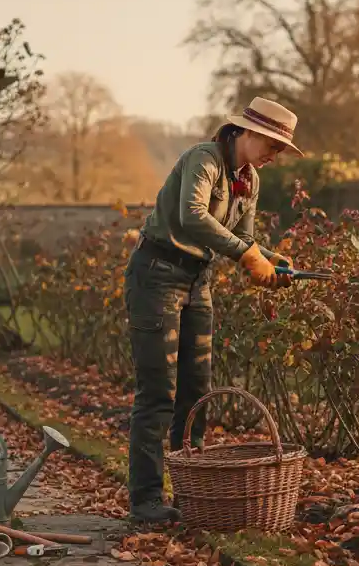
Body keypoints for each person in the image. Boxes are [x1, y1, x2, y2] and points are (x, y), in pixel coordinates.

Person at [122, 97, 303, 524]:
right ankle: (146, 500)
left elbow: (243, 237)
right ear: (246, 132)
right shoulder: (203, 160)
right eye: (273, 146)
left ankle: (193, 493)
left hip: (196, 280)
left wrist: (272, 260)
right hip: (157, 275)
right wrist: (248, 256)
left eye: (280, 150)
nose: (274, 157)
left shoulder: (249, 179)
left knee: (196, 392)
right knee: (158, 394)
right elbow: (193, 217)